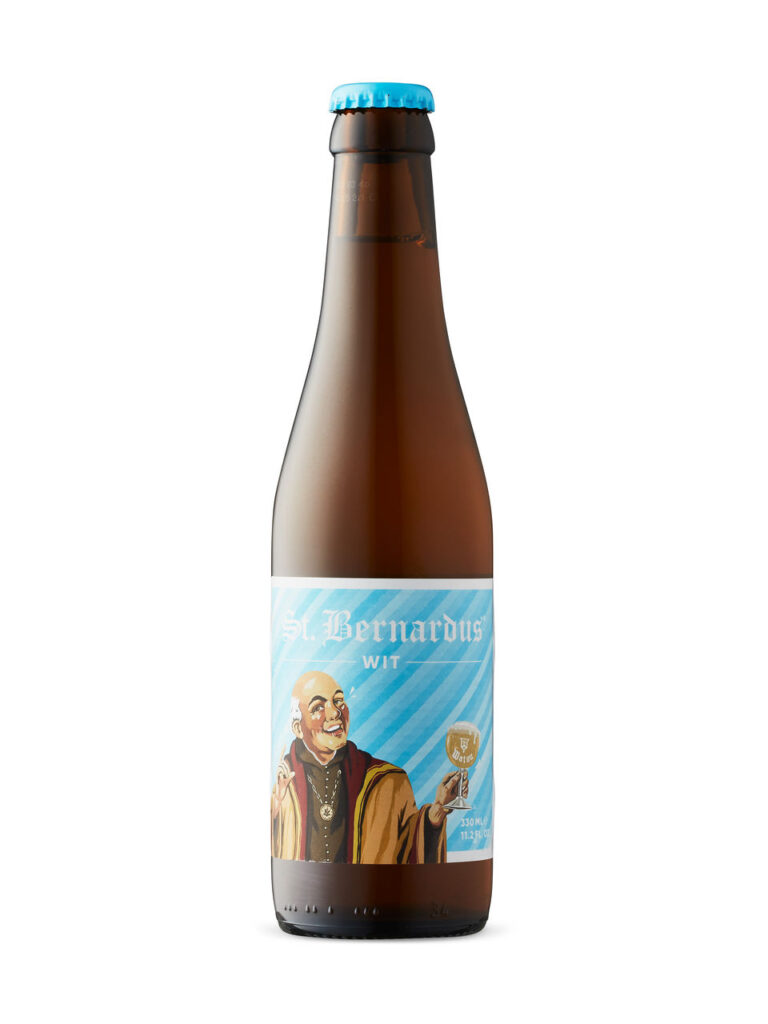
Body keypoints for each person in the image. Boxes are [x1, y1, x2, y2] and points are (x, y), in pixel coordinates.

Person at [271, 671, 465, 863]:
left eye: (338, 701)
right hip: (300, 881)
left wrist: (438, 811)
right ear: (297, 728)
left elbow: (410, 847)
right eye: (318, 707)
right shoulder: (282, 783)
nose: (335, 712)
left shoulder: (388, 781)